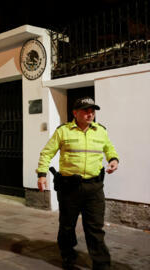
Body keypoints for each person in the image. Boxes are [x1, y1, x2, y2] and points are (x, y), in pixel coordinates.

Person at [36, 97, 119, 270]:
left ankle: (102, 264)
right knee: (67, 226)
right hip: (69, 187)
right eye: (86, 111)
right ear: (75, 113)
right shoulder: (63, 131)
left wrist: (113, 159)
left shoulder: (101, 131)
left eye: (92, 111)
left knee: (95, 228)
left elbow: (109, 148)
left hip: (94, 188)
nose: (90, 114)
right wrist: (42, 174)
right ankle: (68, 256)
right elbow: (46, 153)